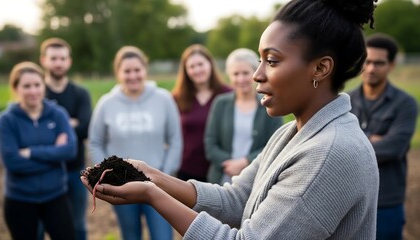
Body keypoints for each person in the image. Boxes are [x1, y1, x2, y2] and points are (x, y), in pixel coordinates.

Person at [81, 0, 380, 239]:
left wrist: (151, 194)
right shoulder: (291, 133)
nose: (256, 74)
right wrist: (152, 176)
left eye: (272, 61)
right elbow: (236, 200)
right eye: (259, 60)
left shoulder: (329, 153)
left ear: (320, 68)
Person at [88, 46, 182, 240]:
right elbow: (95, 141)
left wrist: (164, 175)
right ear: (118, 73)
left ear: (145, 70)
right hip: (122, 187)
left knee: (162, 236)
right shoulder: (107, 103)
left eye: (137, 70)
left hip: (157, 185)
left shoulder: (163, 99)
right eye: (127, 71)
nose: (133, 76)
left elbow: (175, 140)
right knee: (130, 236)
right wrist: (105, 175)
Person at [0, 61, 77, 240]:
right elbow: (13, 163)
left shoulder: (58, 114)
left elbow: (70, 150)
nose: (33, 91)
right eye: (26, 86)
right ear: (16, 88)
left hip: (56, 197)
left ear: (43, 86)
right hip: (20, 201)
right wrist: (55, 153)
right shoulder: (6, 121)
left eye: (37, 85)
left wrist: (31, 153)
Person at [348, 33, 418, 240]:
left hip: (386, 201)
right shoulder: (345, 101)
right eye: (367, 61)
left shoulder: (405, 104)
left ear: (392, 65)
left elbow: (394, 148)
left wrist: (353, 144)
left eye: (379, 63)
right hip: (349, 199)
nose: (371, 68)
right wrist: (372, 140)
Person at [39, 37, 92, 240]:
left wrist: (50, 129)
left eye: (62, 58)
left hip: (75, 171)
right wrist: (70, 124)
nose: (58, 63)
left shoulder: (80, 94)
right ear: (44, 60)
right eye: (53, 58)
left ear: (69, 61)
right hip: (42, 171)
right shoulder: (36, 92)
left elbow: (86, 128)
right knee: (40, 226)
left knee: (77, 224)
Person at [204, 48, 283, 184]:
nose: (241, 79)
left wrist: (246, 162)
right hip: (221, 179)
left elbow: (277, 143)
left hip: (256, 179)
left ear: (255, 72)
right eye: (235, 74)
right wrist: (229, 164)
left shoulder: (270, 104)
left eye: (246, 73)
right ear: (229, 76)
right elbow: (210, 143)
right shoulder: (220, 103)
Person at [172, 44, 232, 182]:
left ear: (210, 64)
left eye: (200, 64)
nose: (197, 70)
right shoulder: (177, 98)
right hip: (186, 169)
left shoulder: (228, 95)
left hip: (220, 169)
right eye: (192, 67)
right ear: (186, 71)